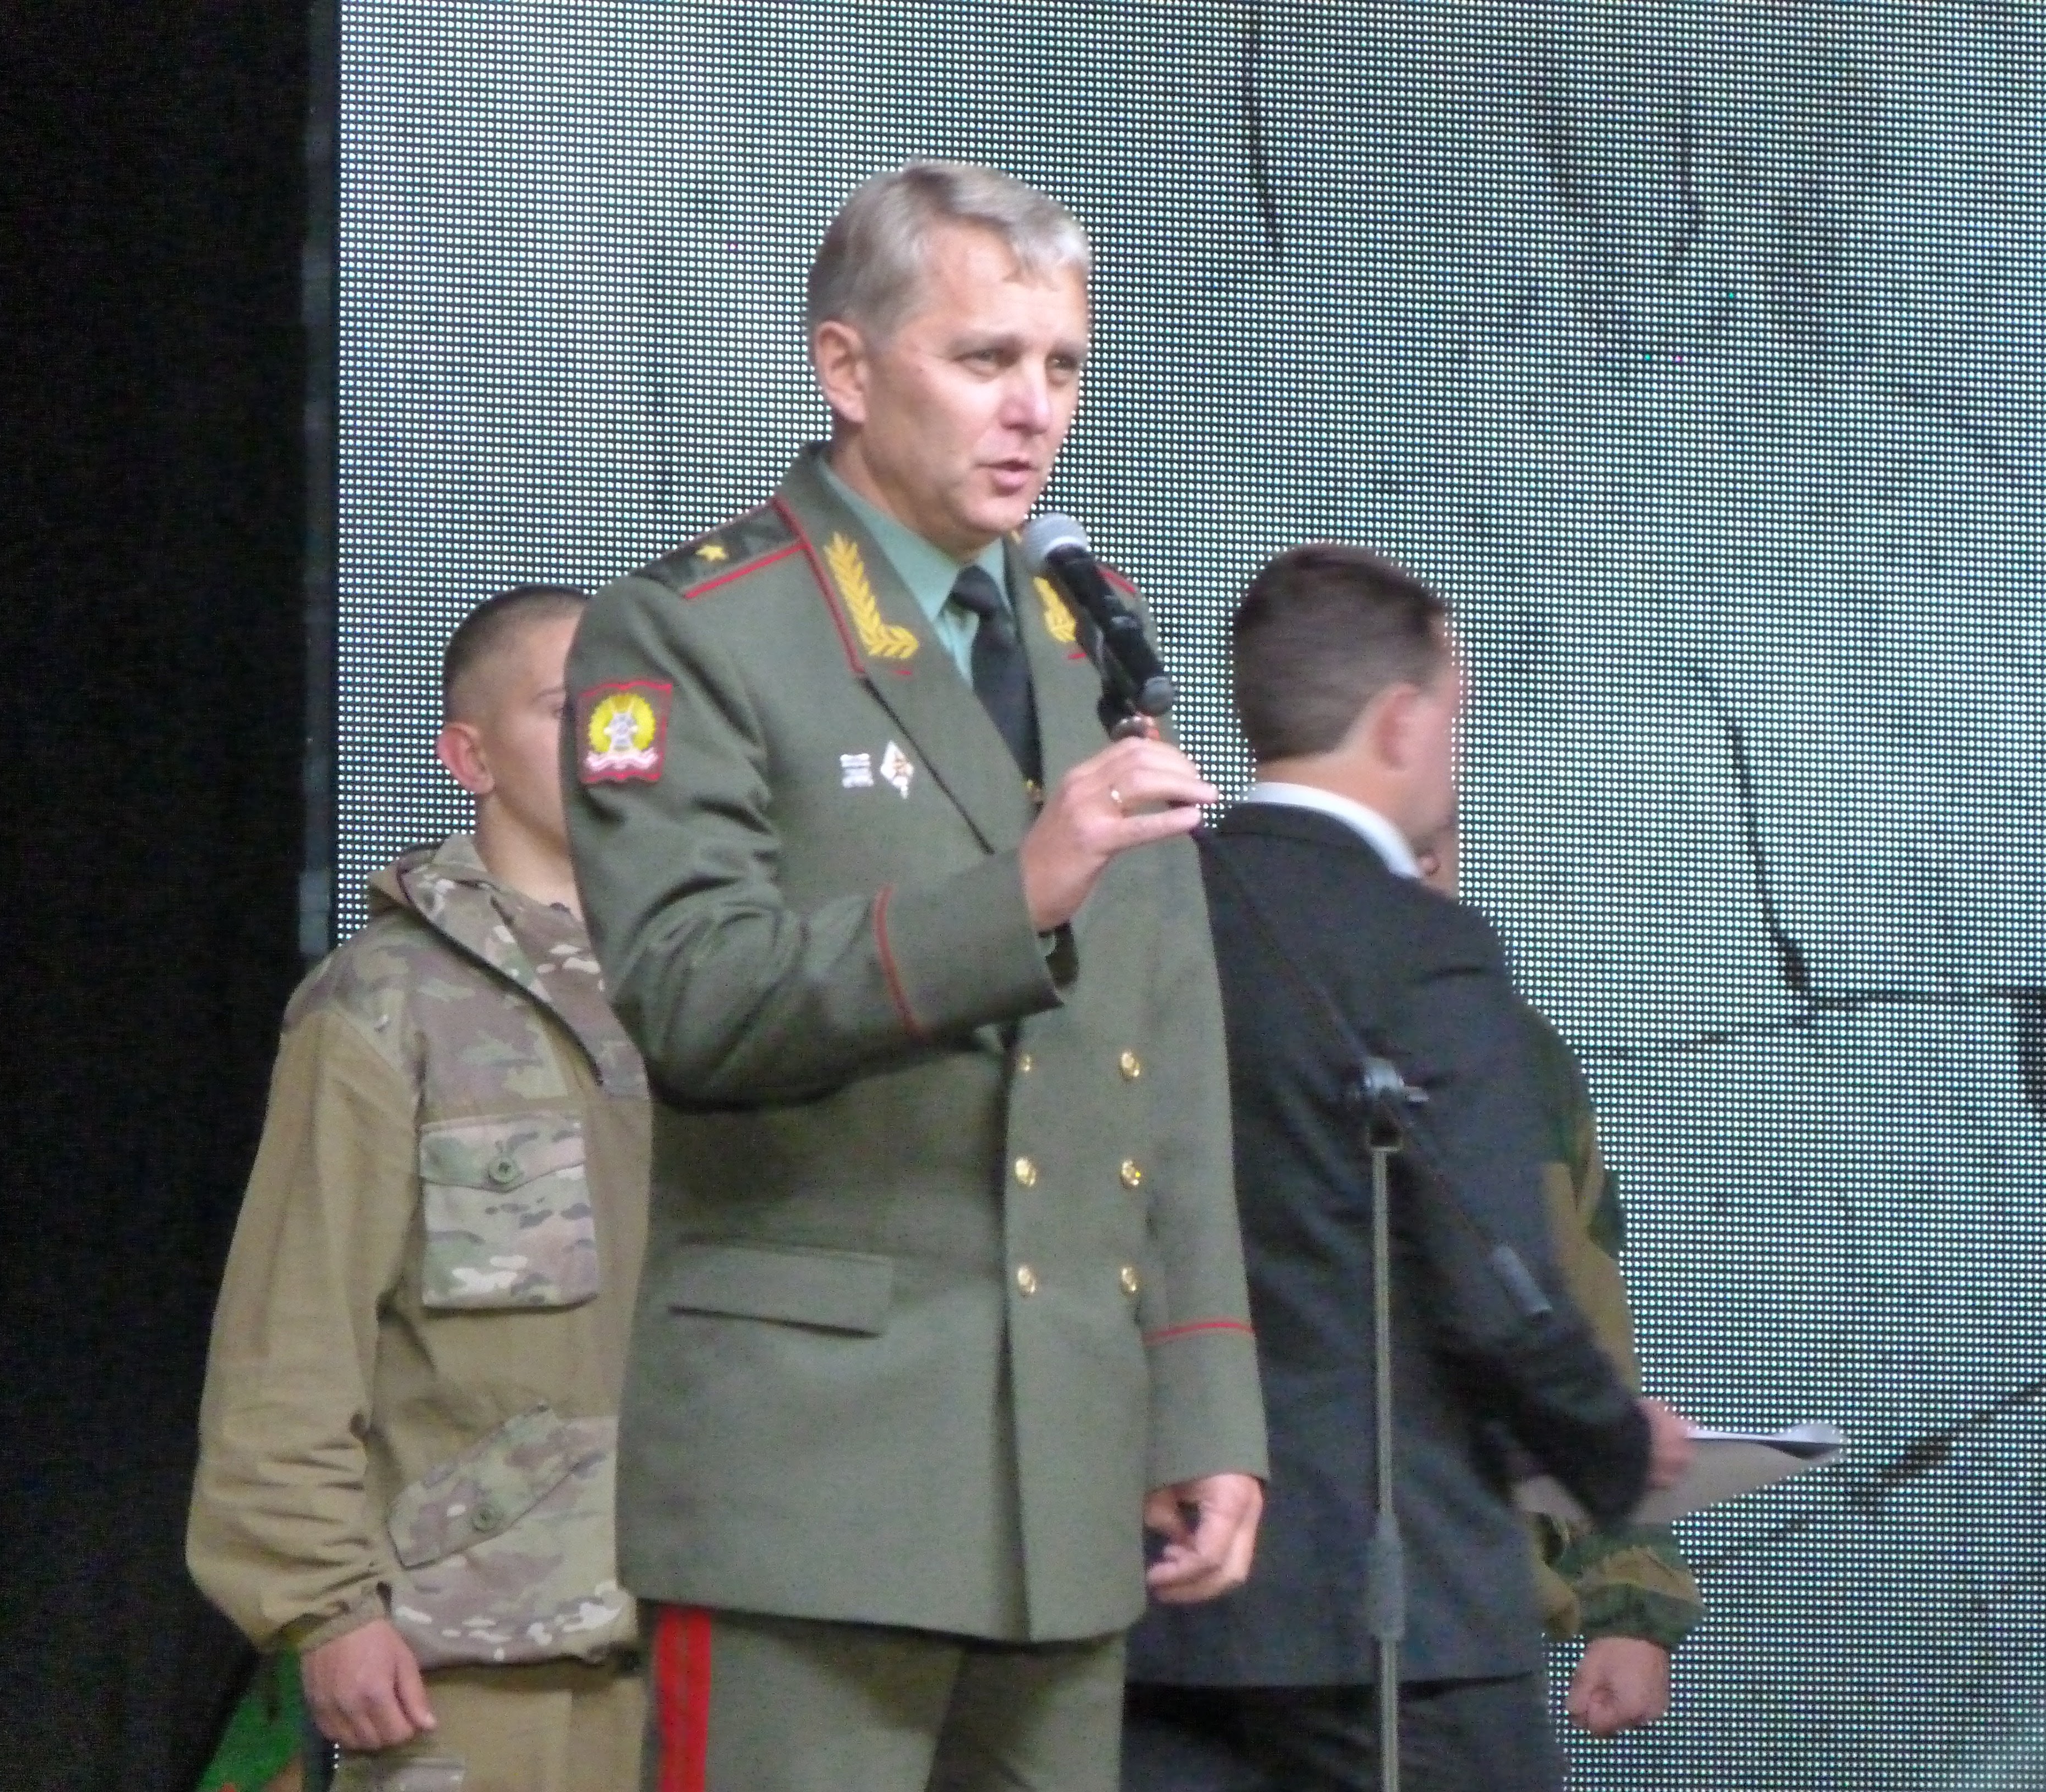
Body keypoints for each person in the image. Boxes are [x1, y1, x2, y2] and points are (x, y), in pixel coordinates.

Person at [561, 161, 1268, 1792]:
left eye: (1063, 366)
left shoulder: (1091, 646)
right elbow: (690, 993)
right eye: (984, 359)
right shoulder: (696, 631)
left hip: (1062, 1479)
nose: (1035, 410)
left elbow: (1163, 1058)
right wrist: (1012, 897)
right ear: (847, 366)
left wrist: (1204, 1407)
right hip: (808, 1486)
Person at [1121, 544, 1694, 1792]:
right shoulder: (1424, 950)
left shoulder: (1137, 919)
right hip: (1392, 1614)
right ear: (1403, 720)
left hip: (1151, 1603)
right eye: (1459, 714)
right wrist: (1614, 1451)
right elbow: (1494, 1288)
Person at [189, 585, 652, 1792]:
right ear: (469, 756)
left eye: (639, 706)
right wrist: (324, 1607)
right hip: (474, 1657)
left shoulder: (721, 992)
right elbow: (293, 1330)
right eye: (566, 707)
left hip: (724, 1633)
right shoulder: (386, 1003)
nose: (613, 734)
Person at [1417, 826, 1705, 1738]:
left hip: (1478, 1622)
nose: (1428, 862)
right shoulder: (1222, 1015)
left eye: (1442, 836)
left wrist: (1627, 1594)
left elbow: (1585, 1342)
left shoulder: (1517, 1056)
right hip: (1258, 1622)